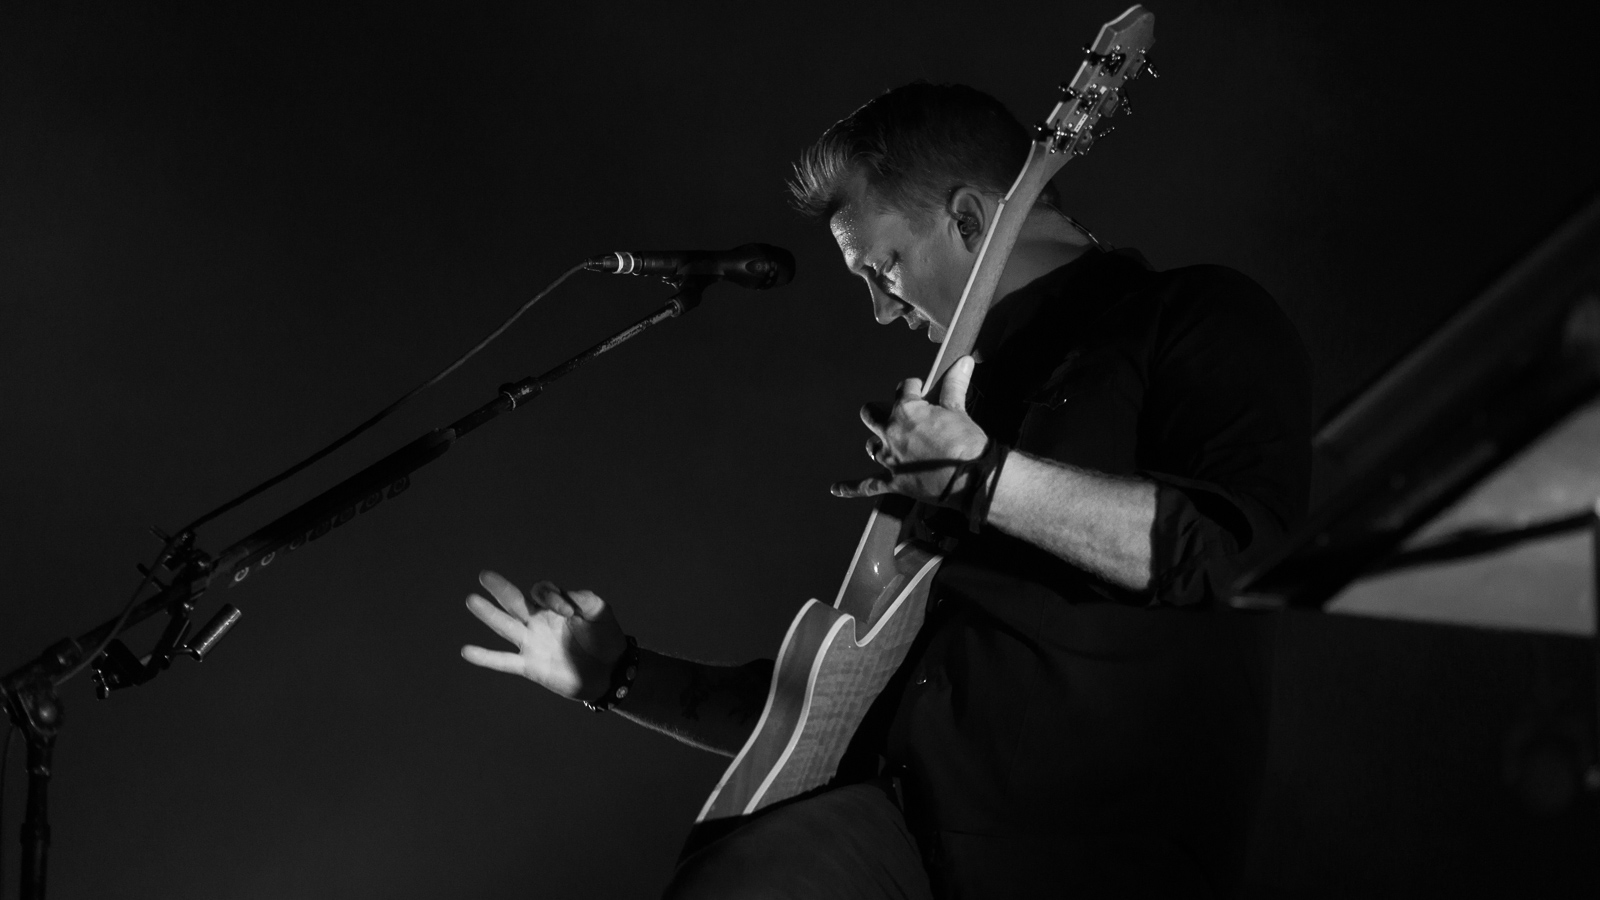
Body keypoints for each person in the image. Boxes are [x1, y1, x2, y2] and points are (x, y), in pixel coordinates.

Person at [460, 82, 1312, 898]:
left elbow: (1245, 557)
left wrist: (986, 481)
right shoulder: (957, 414)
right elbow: (828, 709)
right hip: (893, 839)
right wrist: (617, 676)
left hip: (1091, 856)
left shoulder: (1196, 313)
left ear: (969, 219)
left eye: (885, 267)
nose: (879, 310)